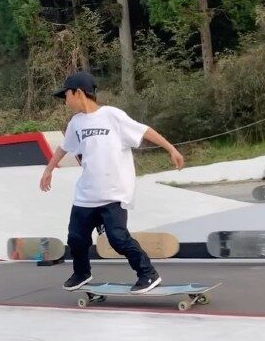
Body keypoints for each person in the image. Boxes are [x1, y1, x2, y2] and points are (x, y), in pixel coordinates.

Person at [39, 71, 184, 293]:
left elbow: (144, 130)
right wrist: (49, 169)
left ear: (78, 93)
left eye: (66, 95)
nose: (65, 100)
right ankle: (81, 273)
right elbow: (64, 147)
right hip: (86, 194)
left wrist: (171, 149)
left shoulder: (112, 115)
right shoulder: (76, 123)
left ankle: (148, 274)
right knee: (76, 238)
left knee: (118, 238)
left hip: (114, 193)